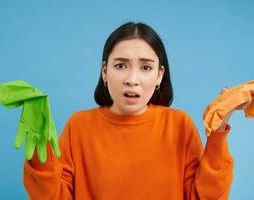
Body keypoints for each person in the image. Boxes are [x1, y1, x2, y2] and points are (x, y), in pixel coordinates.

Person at [23, 22, 234, 200]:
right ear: (105, 71)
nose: (132, 80)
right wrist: (39, 151)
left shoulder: (179, 125)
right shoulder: (78, 126)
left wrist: (218, 133)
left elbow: (203, 197)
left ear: (160, 75)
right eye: (121, 66)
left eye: (146, 68)